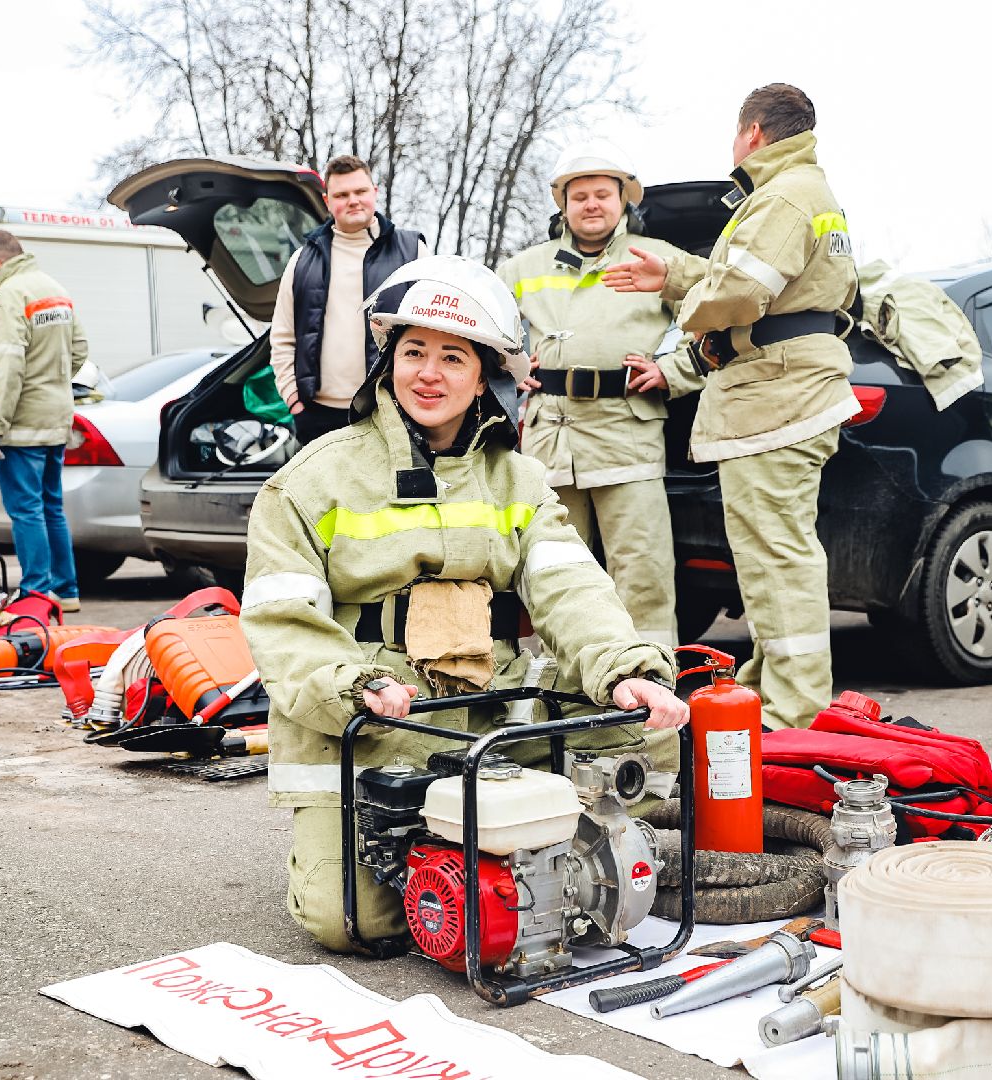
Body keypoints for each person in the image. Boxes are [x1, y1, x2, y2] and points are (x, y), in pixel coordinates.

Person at [240, 254, 687, 953]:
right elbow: (281, 621)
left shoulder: (519, 478)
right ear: (388, 360)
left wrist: (623, 668)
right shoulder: (312, 479)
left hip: (494, 699)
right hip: (379, 711)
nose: (429, 373)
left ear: (484, 374)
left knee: (648, 721)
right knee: (354, 925)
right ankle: (472, 848)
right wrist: (352, 686)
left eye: (453, 357)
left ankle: (541, 855)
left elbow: (571, 586)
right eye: (414, 351)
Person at [603, 83, 857, 730]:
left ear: (752, 133)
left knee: (777, 553)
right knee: (771, 551)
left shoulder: (782, 196)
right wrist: (677, 277)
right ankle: (772, 683)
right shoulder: (802, 194)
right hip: (778, 396)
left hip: (777, 399)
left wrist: (688, 314)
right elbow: (760, 287)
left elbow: (739, 294)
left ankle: (793, 707)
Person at [497, 149, 703, 645]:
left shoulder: (659, 258)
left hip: (626, 436)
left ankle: (652, 689)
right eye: (580, 196)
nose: (592, 205)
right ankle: (561, 691)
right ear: (563, 205)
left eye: (602, 195)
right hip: (551, 441)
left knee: (643, 570)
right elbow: (484, 331)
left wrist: (672, 371)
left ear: (622, 201)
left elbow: (719, 316)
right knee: (555, 567)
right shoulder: (523, 266)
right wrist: (508, 369)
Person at [270, 155, 426, 445]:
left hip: (391, 410)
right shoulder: (302, 260)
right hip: (318, 415)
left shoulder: (412, 251)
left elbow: (436, 330)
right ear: (328, 201)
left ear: (374, 193)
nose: (353, 200)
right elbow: (282, 339)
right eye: (342, 195)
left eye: (360, 192)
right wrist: (294, 402)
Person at [0, 229, 88, 611]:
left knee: (26, 509)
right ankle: (66, 590)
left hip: (21, 424)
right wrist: (51, 382)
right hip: (55, 418)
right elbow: (80, 350)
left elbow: (6, 366)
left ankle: (36, 591)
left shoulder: (10, 295)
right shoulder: (54, 288)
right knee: (51, 505)